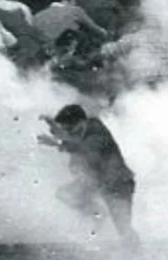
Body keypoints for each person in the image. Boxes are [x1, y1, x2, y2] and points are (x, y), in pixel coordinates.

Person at [37, 104, 138, 245]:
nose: (69, 132)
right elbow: (66, 135)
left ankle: (136, 258)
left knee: (123, 227)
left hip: (118, 183)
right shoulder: (80, 130)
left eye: (70, 128)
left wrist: (58, 143)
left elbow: (88, 150)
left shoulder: (96, 131)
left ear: (81, 121)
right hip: (97, 181)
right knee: (65, 194)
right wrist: (51, 123)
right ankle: (97, 213)